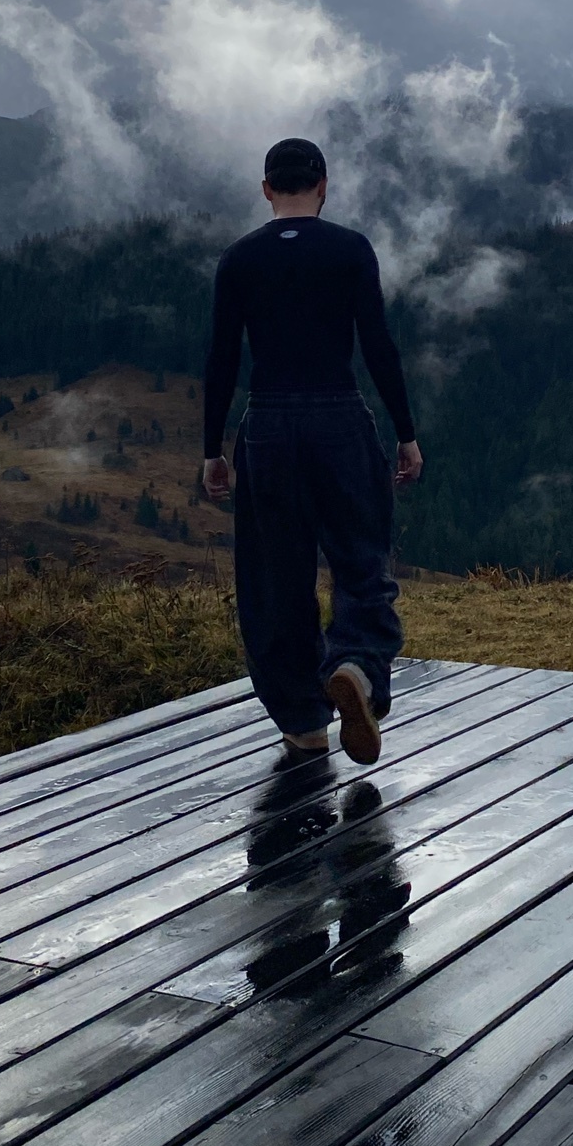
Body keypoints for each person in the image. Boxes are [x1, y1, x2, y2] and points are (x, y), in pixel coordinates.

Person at [202, 138, 424, 767]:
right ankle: (355, 663)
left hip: (267, 425)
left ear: (267, 188)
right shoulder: (350, 250)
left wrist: (212, 448)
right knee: (361, 560)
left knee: (275, 580)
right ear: (323, 185)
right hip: (339, 417)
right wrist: (405, 432)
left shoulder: (239, 259)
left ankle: (302, 722)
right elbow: (378, 344)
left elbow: (221, 358)